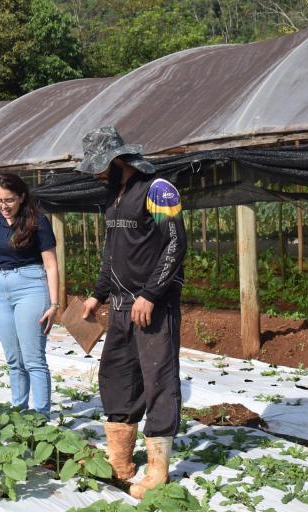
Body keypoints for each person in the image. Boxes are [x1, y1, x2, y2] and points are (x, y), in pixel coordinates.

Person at [77, 127, 186, 499]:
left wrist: (152, 294)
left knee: (159, 382)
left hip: (152, 307)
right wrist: (97, 295)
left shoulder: (158, 189)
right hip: (121, 307)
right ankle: (121, 461)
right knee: (116, 376)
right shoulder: (113, 195)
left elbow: (175, 243)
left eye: (98, 166)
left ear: (116, 159)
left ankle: (158, 471)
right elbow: (112, 251)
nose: (94, 173)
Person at [0, 173, 60, 417]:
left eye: (9, 200)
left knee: (33, 359)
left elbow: (51, 265)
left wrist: (54, 303)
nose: (3, 206)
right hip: (3, 290)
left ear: (22, 197)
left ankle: (41, 418)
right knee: (14, 360)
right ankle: (18, 414)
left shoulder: (37, 221)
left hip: (31, 287)